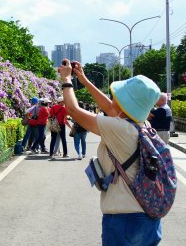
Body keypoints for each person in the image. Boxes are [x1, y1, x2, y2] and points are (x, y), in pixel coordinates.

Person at [58, 59, 162, 245]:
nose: (113, 98)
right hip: (149, 219)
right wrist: (83, 79)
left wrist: (66, 79)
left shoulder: (119, 129)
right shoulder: (142, 126)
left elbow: (73, 110)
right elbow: (109, 107)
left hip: (123, 222)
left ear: (124, 102)